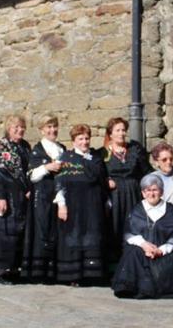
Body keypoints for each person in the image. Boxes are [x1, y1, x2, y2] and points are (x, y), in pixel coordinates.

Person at [112, 175, 173, 299]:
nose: (151, 194)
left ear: (161, 192)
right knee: (133, 253)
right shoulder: (136, 210)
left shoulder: (170, 210)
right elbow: (129, 233)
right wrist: (144, 245)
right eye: (147, 190)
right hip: (142, 250)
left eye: (155, 190)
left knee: (172, 260)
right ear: (143, 193)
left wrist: (160, 250)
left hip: (163, 251)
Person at [55, 124, 110, 283]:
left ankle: (92, 275)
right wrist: (61, 205)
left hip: (93, 203)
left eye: (87, 138)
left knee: (93, 235)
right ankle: (73, 275)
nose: (84, 142)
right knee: (75, 235)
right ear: (74, 141)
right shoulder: (66, 158)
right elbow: (60, 183)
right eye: (80, 139)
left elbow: (101, 182)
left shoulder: (96, 159)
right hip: (73, 204)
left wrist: (107, 202)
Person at [97, 117, 153, 271]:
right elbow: (96, 173)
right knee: (114, 227)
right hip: (114, 196)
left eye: (123, 130)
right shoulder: (102, 153)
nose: (121, 133)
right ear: (110, 133)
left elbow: (147, 172)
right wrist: (106, 180)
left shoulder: (135, 150)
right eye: (117, 130)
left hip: (134, 194)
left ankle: (135, 262)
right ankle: (114, 266)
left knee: (134, 226)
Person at [22, 114, 66, 282]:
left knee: (57, 230)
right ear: (41, 130)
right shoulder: (37, 150)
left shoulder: (62, 149)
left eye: (54, 126)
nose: (52, 130)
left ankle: (55, 271)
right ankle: (40, 272)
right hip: (42, 195)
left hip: (58, 194)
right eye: (48, 127)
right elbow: (31, 176)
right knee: (42, 230)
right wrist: (47, 167)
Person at [0, 115, 31, 283]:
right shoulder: (1, 147)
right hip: (7, 193)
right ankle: (1, 271)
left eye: (22, 127)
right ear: (8, 128)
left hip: (22, 194)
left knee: (19, 231)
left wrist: (29, 189)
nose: (19, 130)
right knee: (6, 232)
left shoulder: (25, 146)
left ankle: (15, 268)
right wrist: (1, 197)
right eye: (16, 127)